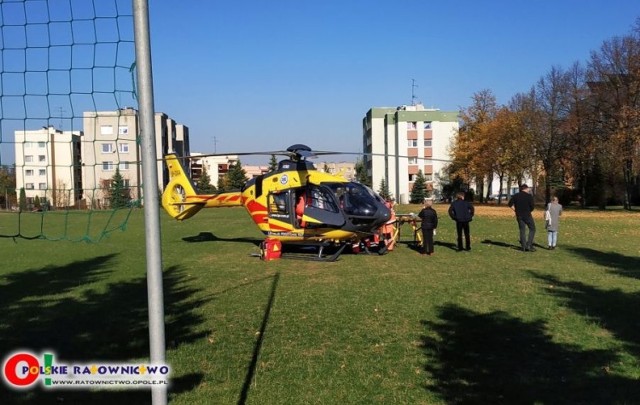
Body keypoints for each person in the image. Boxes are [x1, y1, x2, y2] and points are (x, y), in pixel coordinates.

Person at [508, 184, 536, 252]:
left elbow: (509, 204)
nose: (529, 190)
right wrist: (529, 211)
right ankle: (529, 244)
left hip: (519, 215)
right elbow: (532, 206)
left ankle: (523, 246)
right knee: (532, 228)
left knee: (522, 230)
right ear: (526, 189)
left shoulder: (516, 195)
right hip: (527, 215)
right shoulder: (529, 196)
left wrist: (515, 210)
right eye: (528, 189)